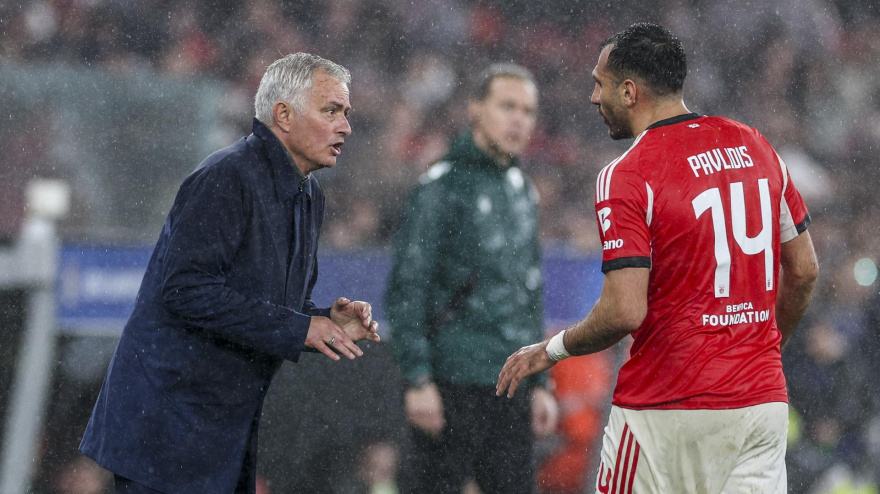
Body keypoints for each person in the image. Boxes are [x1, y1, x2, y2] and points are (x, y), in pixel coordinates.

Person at [497, 23, 819, 494]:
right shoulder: (756, 146)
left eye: (599, 83)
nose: (592, 97)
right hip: (760, 403)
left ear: (628, 91)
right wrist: (760, 352)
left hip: (668, 409)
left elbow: (626, 310)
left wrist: (551, 350)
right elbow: (806, 271)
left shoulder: (627, 173)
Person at [79, 53, 380, 494]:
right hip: (168, 428)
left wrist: (324, 322)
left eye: (346, 114)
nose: (346, 127)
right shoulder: (225, 176)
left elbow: (273, 307)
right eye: (331, 111)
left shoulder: (310, 195)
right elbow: (185, 290)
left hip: (222, 430)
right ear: (283, 114)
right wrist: (299, 326)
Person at [385, 62, 558, 494]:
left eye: (528, 110)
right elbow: (408, 288)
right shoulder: (442, 187)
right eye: (507, 106)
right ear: (475, 110)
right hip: (453, 381)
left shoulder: (523, 191)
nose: (519, 119)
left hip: (513, 383)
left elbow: (528, 294)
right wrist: (418, 380)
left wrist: (540, 382)